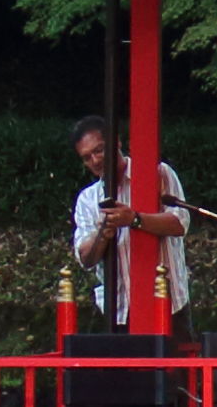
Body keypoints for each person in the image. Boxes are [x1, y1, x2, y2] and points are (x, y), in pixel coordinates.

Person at [68, 113, 185, 329]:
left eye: (99, 150)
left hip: (168, 304)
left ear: (117, 142)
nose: (95, 160)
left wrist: (134, 219)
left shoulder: (158, 173)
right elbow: (85, 258)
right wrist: (103, 233)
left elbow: (179, 223)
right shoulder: (88, 199)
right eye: (86, 158)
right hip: (118, 311)